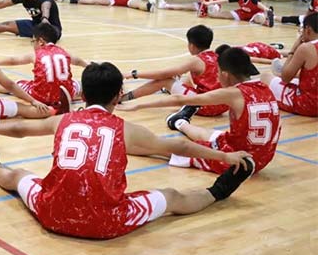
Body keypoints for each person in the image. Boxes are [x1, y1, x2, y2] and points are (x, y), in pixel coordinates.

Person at [0, 62, 254, 240]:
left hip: (51, 212)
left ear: (83, 94)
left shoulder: (62, 120)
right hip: (107, 222)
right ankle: (219, 191)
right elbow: (179, 145)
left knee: (17, 175)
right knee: (171, 196)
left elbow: (21, 129)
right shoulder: (125, 129)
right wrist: (225, 157)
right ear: (118, 96)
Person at [119, 47, 280, 175]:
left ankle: (121, 146)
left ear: (225, 74)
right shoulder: (266, 87)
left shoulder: (233, 93)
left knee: (172, 147)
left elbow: (179, 99)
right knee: (212, 134)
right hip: (264, 156)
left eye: (218, 72)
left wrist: (138, 106)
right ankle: (180, 122)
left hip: (239, 160)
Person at [121, 25, 229, 117]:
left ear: (191, 45)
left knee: (165, 80)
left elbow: (162, 74)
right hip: (223, 104)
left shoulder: (196, 61)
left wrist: (133, 74)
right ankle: (169, 90)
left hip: (207, 106)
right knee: (187, 78)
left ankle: (123, 98)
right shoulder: (217, 56)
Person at [0, 23, 87, 107]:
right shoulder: (64, 52)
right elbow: (78, 61)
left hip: (40, 96)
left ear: (40, 41)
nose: (33, 44)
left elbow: (13, 60)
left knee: (13, 86)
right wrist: (88, 65)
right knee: (77, 84)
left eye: (33, 41)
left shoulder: (35, 55)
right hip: (66, 94)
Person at [260, 12, 318, 117]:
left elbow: (285, 78)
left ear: (308, 29)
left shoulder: (306, 48)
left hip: (310, 105)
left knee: (265, 77)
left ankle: (281, 69)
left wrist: (293, 50)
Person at [203, 0, 274, 27]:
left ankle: (267, 21)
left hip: (255, 13)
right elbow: (225, 0)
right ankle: (210, 13)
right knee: (221, 15)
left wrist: (267, 10)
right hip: (243, 13)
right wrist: (209, 3)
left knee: (258, 19)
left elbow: (258, 4)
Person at [215, 42, 285, 65]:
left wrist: (274, 62)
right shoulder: (235, 48)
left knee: (280, 55)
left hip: (265, 52)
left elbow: (259, 60)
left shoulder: (240, 56)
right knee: (276, 51)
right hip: (256, 45)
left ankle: (276, 49)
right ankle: (275, 46)